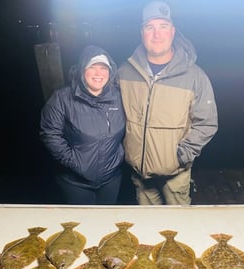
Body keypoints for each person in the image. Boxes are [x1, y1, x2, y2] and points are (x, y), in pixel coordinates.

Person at [118, 1, 218, 205]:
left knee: (177, 226)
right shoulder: (124, 72)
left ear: (172, 32)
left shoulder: (195, 76)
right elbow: (106, 108)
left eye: (163, 27)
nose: (157, 34)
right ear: (142, 33)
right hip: (140, 171)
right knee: (148, 227)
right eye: (150, 27)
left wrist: (181, 156)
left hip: (175, 173)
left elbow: (206, 123)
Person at [40, 45, 125, 204]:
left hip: (111, 180)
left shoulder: (120, 98)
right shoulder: (62, 98)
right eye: (93, 67)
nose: (99, 73)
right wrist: (76, 162)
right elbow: (50, 134)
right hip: (75, 182)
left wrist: (119, 158)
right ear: (82, 70)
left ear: (110, 72)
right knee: (81, 224)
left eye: (103, 68)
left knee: (105, 223)